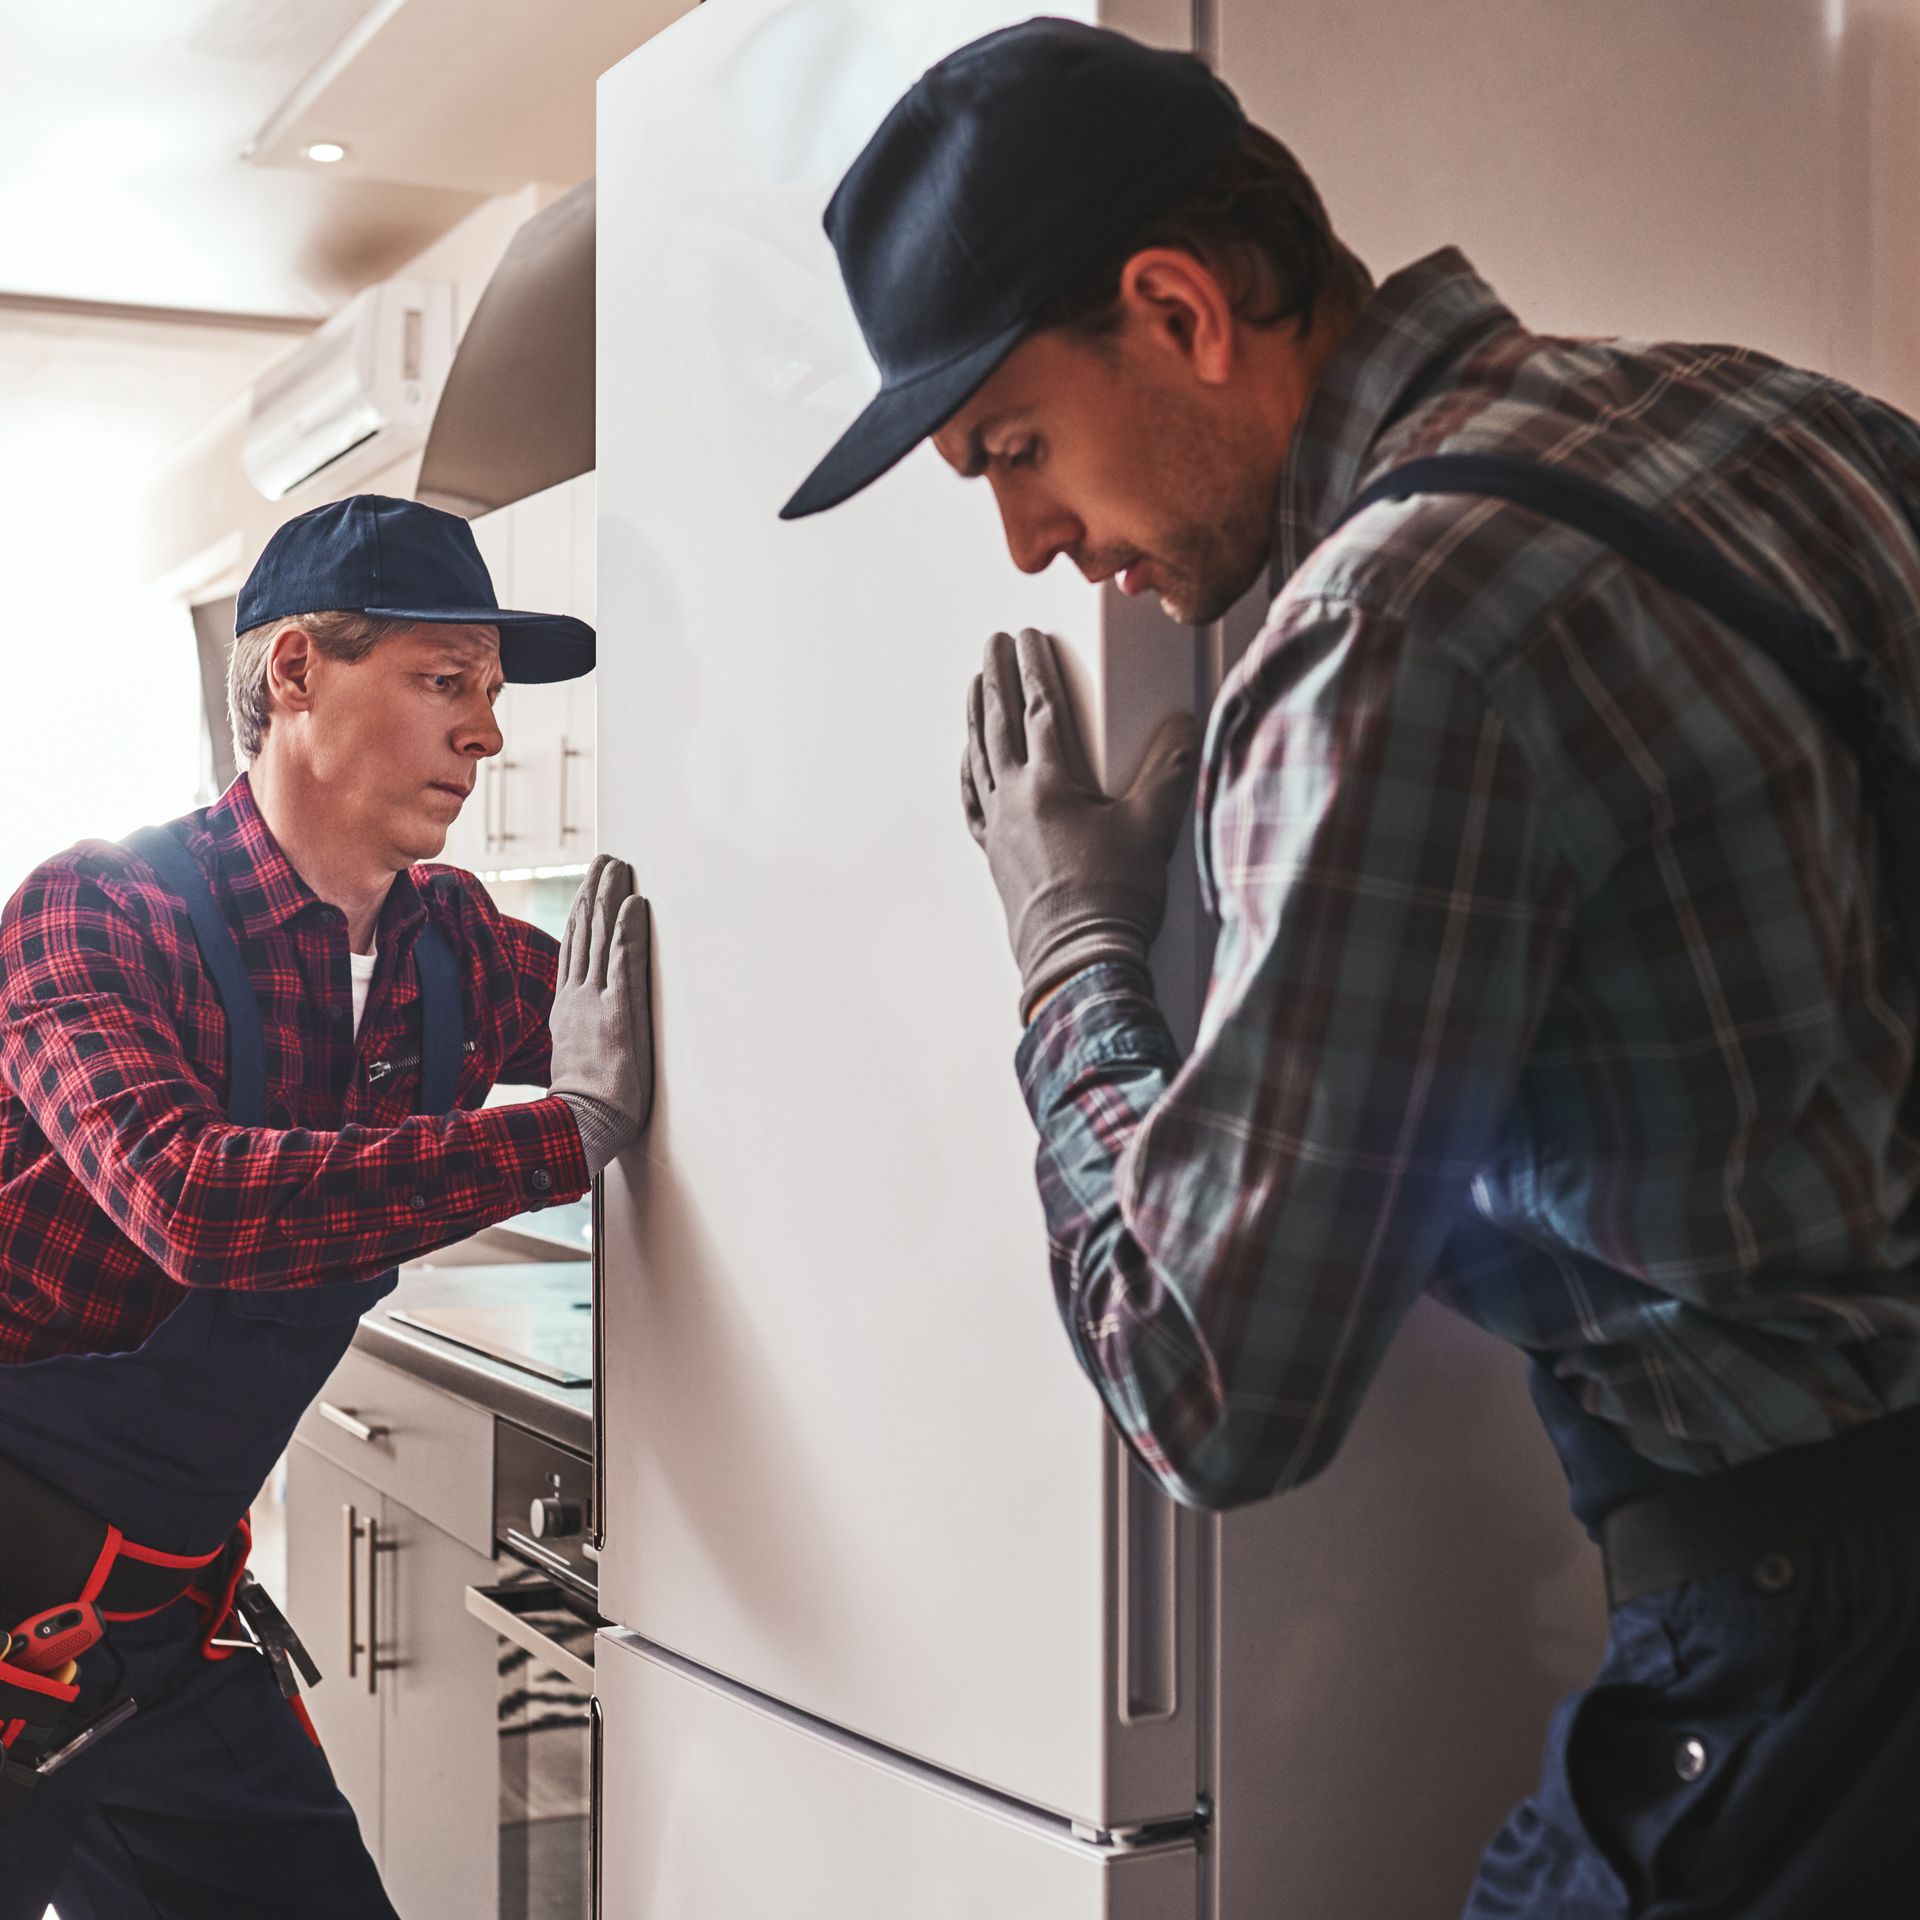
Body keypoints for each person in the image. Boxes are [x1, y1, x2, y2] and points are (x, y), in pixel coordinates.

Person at [784, 19, 1920, 1917]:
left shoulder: (1387, 631)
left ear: (1179, 312)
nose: (1031, 542)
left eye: (1018, 447)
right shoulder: (1797, 421)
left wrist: (1068, 940)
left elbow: (1208, 1385)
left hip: (1810, 1645)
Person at [0, 494, 651, 1918]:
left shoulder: (459, 952)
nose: (486, 732)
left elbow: (669, 1038)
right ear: (295, 674)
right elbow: (191, 1202)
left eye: (490, 694)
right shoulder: (97, 912)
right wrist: (560, 1138)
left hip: (161, 1636)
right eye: (443, 682)